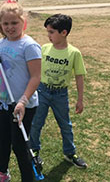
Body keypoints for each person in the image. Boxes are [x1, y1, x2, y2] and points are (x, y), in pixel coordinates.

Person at [0, 0, 41, 182]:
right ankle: (2, 173)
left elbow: (35, 77)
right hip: (5, 103)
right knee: (4, 141)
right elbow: (3, 70)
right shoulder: (2, 42)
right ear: (1, 25)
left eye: (14, 22)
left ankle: (28, 178)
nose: (10, 27)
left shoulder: (29, 46)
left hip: (24, 104)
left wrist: (23, 101)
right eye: (6, 23)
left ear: (23, 22)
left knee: (19, 145)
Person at [29, 14, 88, 169]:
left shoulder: (74, 53)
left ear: (64, 33)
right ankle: (33, 151)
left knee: (65, 124)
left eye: (51, 32)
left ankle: (70, 152)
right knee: (36, 123)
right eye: (47, 32)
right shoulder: (44, 48)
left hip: (60, 94)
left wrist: (80, 99)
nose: (48, 36)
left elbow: (79, 77)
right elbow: (34, 70)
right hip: (42, 91)